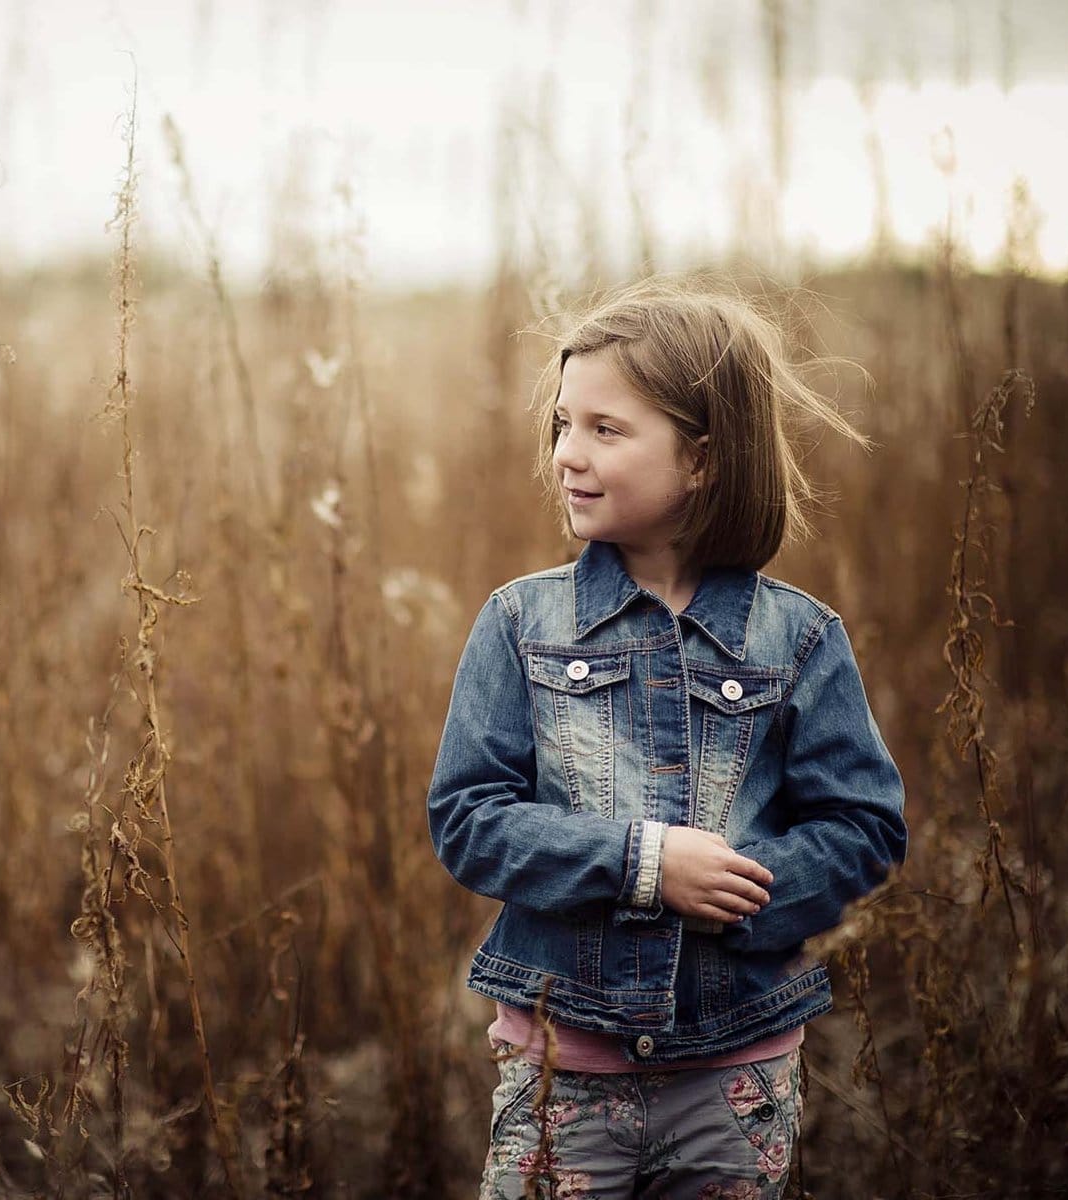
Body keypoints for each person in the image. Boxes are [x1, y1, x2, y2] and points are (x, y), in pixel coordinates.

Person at [425, 276, 908, 1199]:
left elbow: (864, 828)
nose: (568, 453)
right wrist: (645, 864)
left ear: (703, 459)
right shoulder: (521, 623)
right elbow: (468, 820)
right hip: (564, 1066)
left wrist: (738, 894)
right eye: (563, 423)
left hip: (735, 1077)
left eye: (607, 430)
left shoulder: (798, 638)